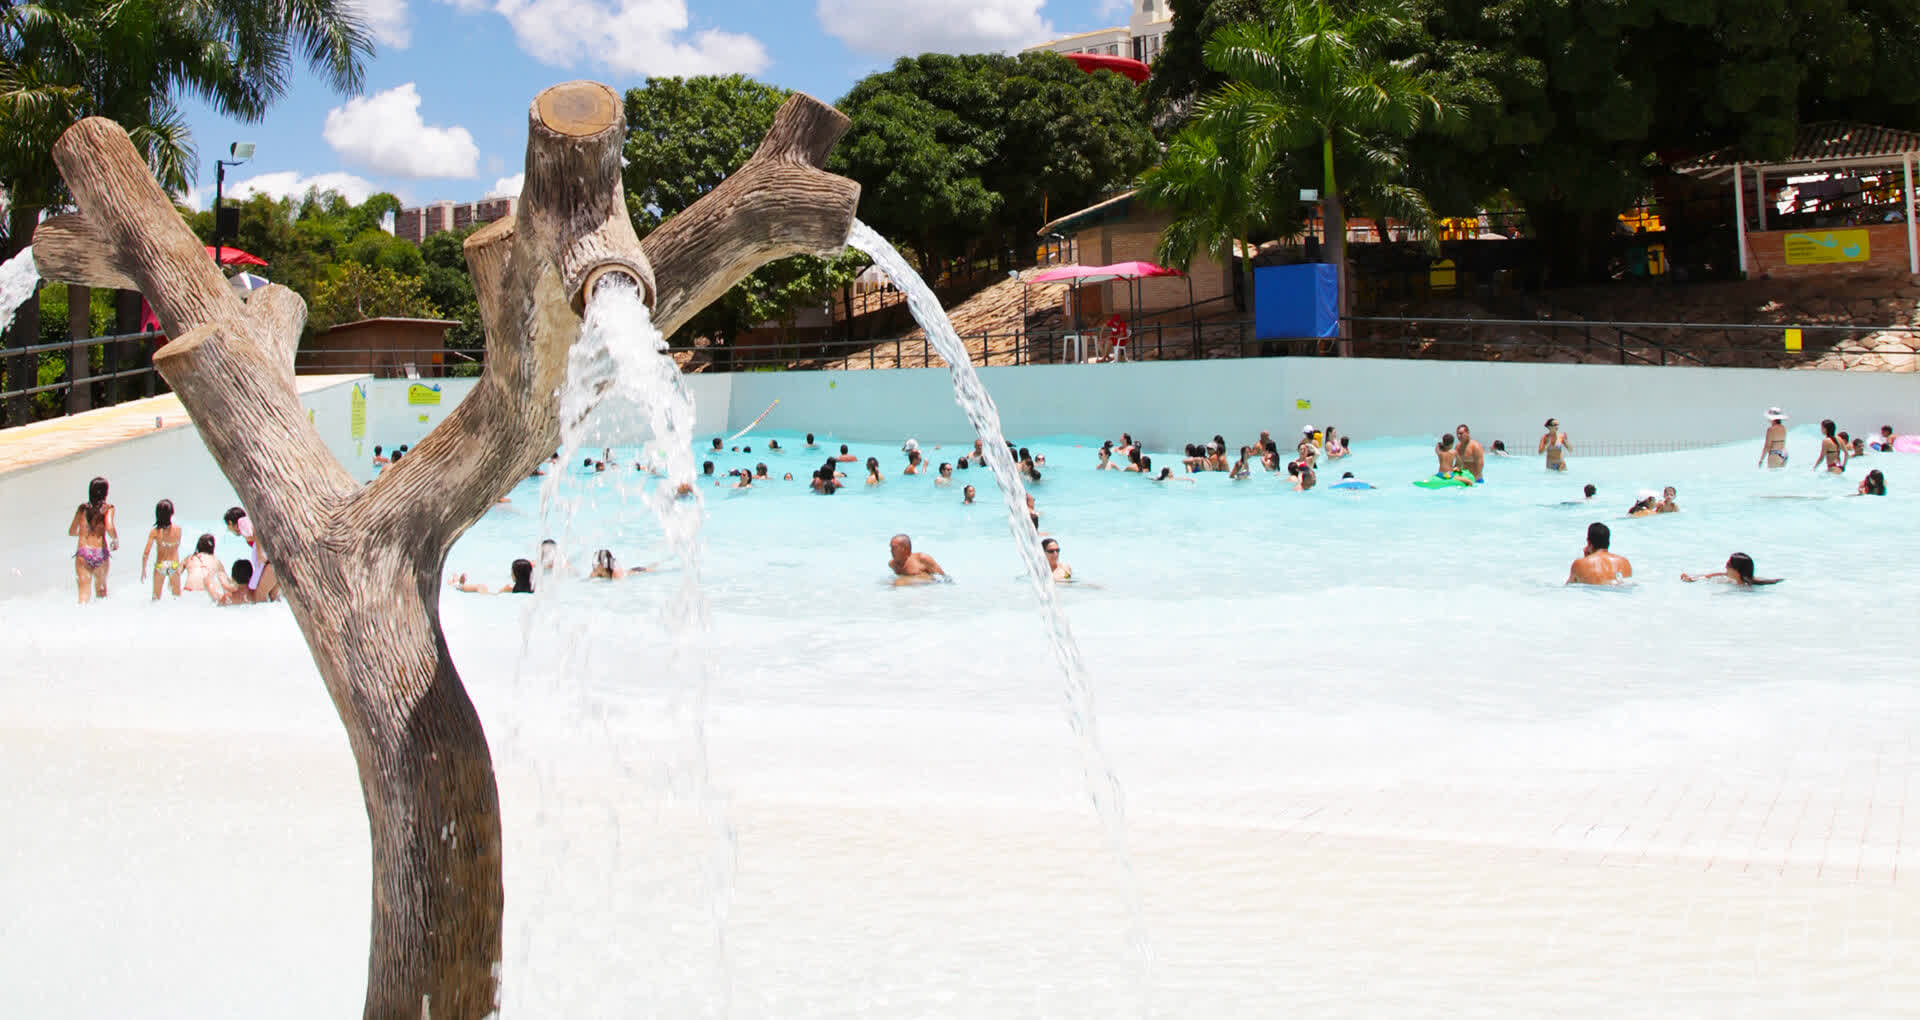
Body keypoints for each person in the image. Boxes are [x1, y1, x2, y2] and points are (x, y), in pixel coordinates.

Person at [67, 476, 118, 603]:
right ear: (106, 492)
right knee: (101, 592)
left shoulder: (82, 508)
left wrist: (83, 533)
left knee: (84, 594)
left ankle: (81, 621)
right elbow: (110, 527)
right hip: (100, 553)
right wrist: (115, 539)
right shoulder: (108, 508)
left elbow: (71, 531)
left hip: (83, 553)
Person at [141, 499, 184, 600]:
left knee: (156, 598)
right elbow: (175, 548)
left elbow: (146, 553)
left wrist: (143, 570)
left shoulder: (155, 532)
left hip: (161, 565)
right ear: (172, 513)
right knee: (177, 598)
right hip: (174, 565)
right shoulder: (178, 529)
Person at [1568, 522, 1632, 585]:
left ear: (1589, 542)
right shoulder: (1625, 562)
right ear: (1608, 542)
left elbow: (1568, 587)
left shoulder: (1579, 564)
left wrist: (1586, 559)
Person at [181, 534, 233, 600]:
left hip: (187, 592)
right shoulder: (216, 561)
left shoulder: (189, 558)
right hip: (204, 594)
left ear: (198, 545)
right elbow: (226, 581)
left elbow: (175, 572)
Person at [1682, 553, 1782, 587]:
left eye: (1728, 564)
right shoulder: (1732, 580)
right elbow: (1712, 576)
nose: (1725, 567)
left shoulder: (1745, 588)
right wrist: (1693, 579)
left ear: (1737, 571)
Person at [452, 558, 537, 594]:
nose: (511, 574)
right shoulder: (535, 587)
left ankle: (459, 585)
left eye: (512, 572)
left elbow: (494, 595)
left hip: (492, 595)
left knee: (480, 586)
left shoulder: (510, 588)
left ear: (516, 575)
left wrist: (482, 589)